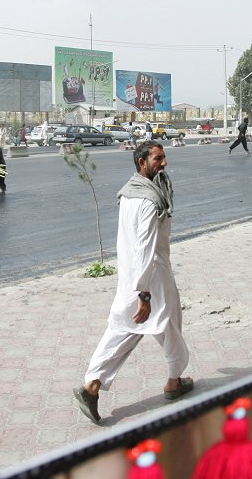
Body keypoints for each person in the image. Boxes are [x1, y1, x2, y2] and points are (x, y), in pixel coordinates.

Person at [74, 142, 193, 423]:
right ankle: (174, 383)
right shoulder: (149, 201)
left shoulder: (130, 192)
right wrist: (146, 294)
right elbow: (145, 247)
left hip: (131, 274)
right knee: (170, 325)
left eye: (164, 157)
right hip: (151, 277)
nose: (164, 163)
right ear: (142, 162)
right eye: (158, 159)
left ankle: (92, 385)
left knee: (123, 329)